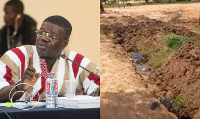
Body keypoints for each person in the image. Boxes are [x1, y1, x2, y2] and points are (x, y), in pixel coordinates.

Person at [0, 15, 100, 102]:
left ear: (64, 43)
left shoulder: (75, 61)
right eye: (41, 33)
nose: (43, 38)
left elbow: (99, 82)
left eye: (52, 36)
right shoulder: (16, 57)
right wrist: (20, 86)